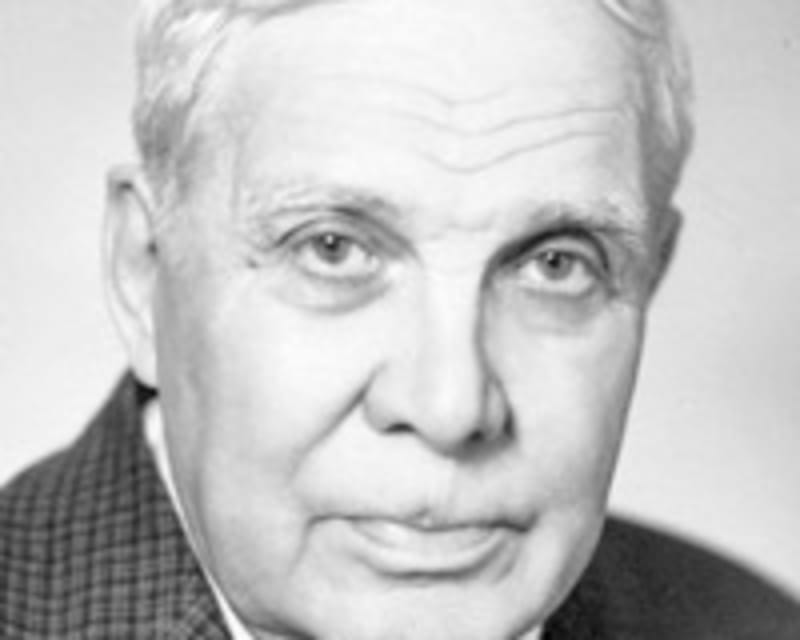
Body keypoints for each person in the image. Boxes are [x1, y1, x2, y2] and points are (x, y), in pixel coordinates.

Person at [1, 0, 798, 637]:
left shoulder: (751, 624)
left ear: (648, 278)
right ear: (143, 273)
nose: (451, 408)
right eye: (333, 250)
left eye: (555, 265)